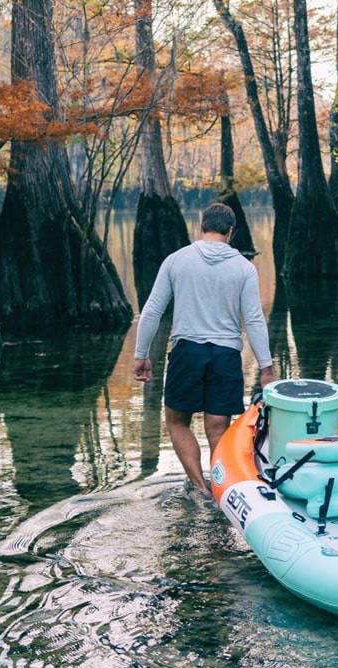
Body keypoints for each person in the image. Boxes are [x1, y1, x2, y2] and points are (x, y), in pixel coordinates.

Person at [133, 203, 276, 498]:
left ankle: (201, 488)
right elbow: (253, 319)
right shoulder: (244, 268)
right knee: (218, 430)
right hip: (225, 356)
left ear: (201, 226)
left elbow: (152, 311)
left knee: (177, 421)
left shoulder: (176, 260)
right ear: (231, 232)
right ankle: (223, 491)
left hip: (187, 352)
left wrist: (141, 355)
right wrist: (266, 366)